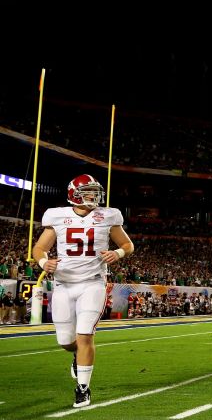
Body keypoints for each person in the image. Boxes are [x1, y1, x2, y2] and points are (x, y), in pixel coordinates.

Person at [32, 174, 134, 408]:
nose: (93, 195)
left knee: (85, 334)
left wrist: (117, 253)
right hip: (63, 285)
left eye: (94, 191)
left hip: (92, 283)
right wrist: (43, 262)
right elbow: (39, 248)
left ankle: (83, 388)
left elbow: (127, 245)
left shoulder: (108, 216)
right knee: (66, 341)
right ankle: (76, 356)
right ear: (74, 194)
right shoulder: (58, 216)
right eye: (88, 191)